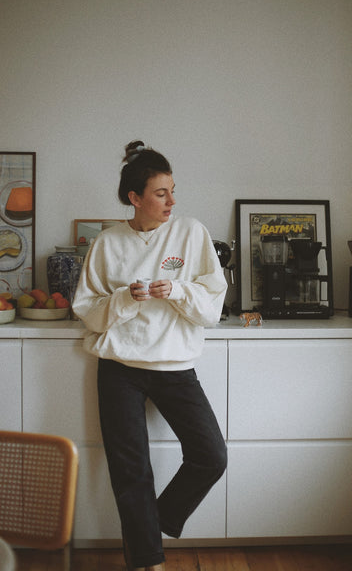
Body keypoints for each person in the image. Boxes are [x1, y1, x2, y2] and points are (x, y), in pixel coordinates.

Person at [72, 140, 228, 571]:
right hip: (119, 368)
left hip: (175, 366)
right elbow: (88, 311)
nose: (171, 201)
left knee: (211, 454)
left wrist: (177, 290)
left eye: (173, 190)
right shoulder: (106, 243)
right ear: (134, 198)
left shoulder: (191, 233)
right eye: (161, 193)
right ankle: (146, 562)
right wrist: (125, 298)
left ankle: (153, 522)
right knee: (131, 471)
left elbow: (212, 306)